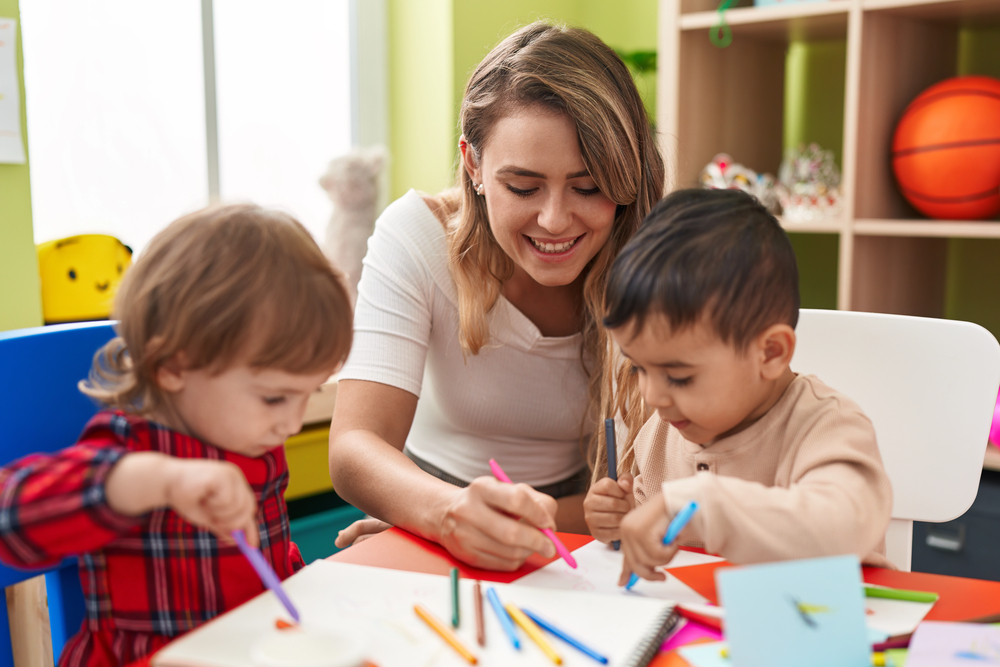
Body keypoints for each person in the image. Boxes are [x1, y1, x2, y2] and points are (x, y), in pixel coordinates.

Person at [328, 21, 664, 571]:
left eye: (589, 187)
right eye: (523, 187)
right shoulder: (416, 235)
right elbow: (353, 447)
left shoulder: (654, 262)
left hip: (578, 536)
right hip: (427, 495)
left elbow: (645, 495)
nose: (555, 220)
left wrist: (486, 530)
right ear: (474, 165)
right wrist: (437, 514)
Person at [0, 205, 353, 667]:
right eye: (274, 398)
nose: (290, 424)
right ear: (171, 366)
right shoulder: (129, 447)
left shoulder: (255, 441)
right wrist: (156, 481)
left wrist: (308, 583)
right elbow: (11, 516)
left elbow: (264, 558)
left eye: (307, 395)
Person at [580, 188, 894, 585]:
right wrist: (623, 521)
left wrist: (703, 504)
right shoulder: (662, 434)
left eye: (679, 376)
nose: (652, 396)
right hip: (702, 635)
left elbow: (844, 528)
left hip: (824, 628)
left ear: (770, 353)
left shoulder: (828, 427)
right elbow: (658, 527)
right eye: (639, 369)